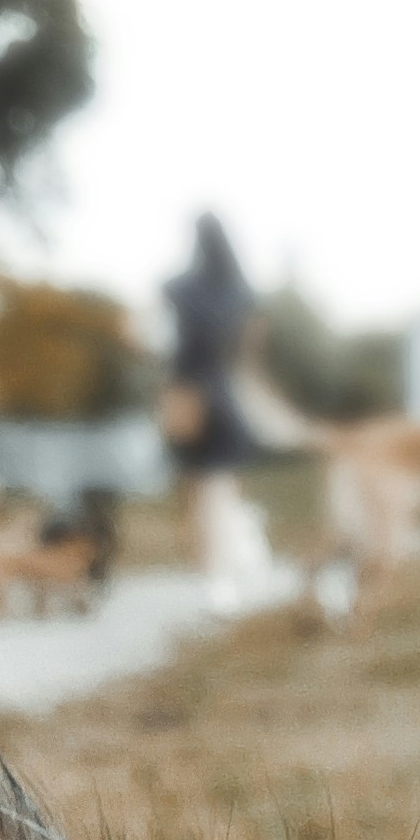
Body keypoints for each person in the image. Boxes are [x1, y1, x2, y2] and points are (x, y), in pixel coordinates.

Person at [162, 214, 273, 610]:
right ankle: (239, 551)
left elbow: (158, 338)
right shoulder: (242, 292)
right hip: (227, 394)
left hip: (187, 394)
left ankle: (217, 574)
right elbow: (250, 351)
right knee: (221, 485)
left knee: (200, 489)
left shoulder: (176, 288)